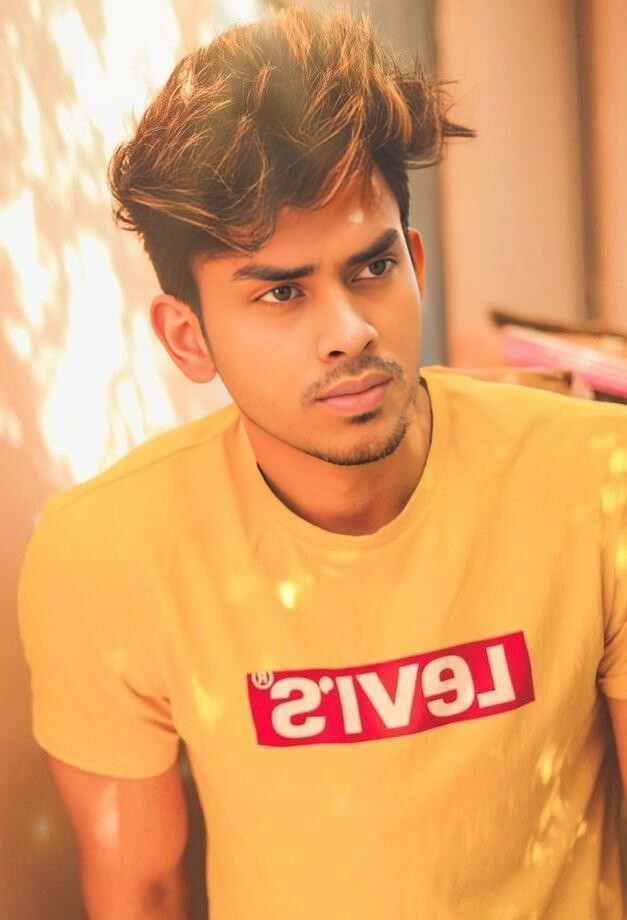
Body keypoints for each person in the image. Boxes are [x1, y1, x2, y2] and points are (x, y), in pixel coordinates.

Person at [18, 7, 627, 919]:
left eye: (371, 268)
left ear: (414, 263)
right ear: (188, 339)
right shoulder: (107, 551)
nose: (349, 332)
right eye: (280, 292)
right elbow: (140, 887)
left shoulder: (595, 479)